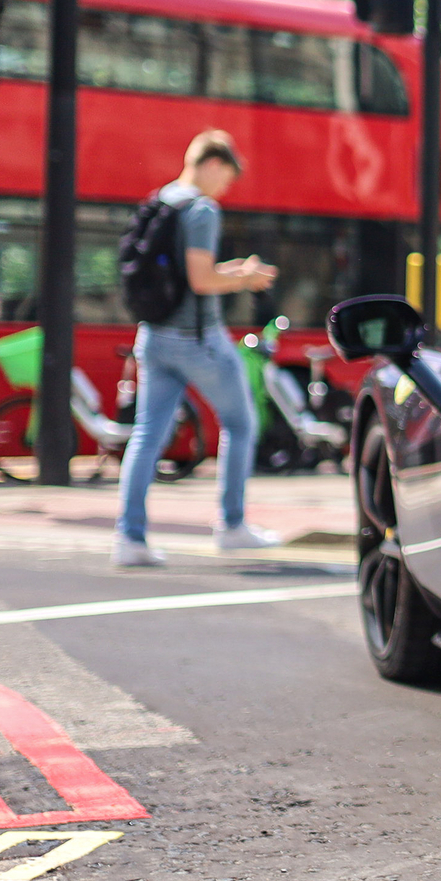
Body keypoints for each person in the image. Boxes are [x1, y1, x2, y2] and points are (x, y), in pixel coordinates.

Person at [114, 131, 282, 566]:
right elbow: (202, 281)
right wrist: (245, 279)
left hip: (153, 336)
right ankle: (232, 525)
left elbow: (195, 274)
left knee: (147, 435)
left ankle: (129, 539)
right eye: (227, 176)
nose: (226, 186)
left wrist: (233, 270)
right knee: (241, 424)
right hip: (197, 340)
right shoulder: (203, 210)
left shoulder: (163, 200)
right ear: (211, 164)